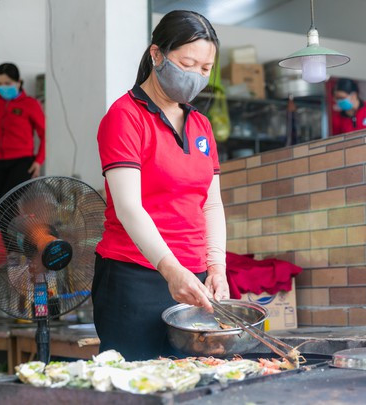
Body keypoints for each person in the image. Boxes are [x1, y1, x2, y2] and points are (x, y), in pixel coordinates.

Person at [92, 10, 229, 361]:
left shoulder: (201, 125)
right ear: (156, 55)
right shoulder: (124, 117)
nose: (197, 75)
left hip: (193, 281)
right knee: (137, 386)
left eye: (205, 69)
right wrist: (170, 270)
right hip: (134, 278)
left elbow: (210, 204)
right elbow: (128, 207)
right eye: (188, 62)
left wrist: (216, 268)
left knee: (197, 384)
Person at [0, 63, 45, 204]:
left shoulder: (30, 104)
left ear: (18, 82)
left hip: (22, 162)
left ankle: (17, 226)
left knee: (7, 202)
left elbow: (45, 133)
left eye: (7, 83)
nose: (3, 87)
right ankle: (10, 227)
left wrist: (39, 160)